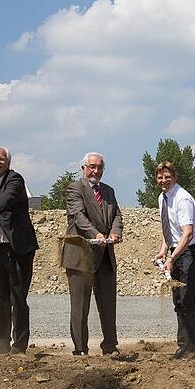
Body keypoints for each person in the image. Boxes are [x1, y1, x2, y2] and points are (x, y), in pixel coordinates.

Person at [0, 146, 39, 354]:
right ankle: (0, 342)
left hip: (19, 247)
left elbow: (4, 200)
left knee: (18, 297)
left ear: (8, 163)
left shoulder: (15, 180)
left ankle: (19, 346)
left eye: (1, 159)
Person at [64, 152, 123, 356]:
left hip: (105, 255)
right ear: (83, 168)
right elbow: (78, 216)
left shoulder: (109, 191)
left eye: (99, 167)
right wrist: (96, 234)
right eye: (91, 167)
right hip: (81, 255)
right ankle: (80, 349)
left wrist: (115, 232)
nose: (96, 171)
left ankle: (110, 346)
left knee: (108, 304)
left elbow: (116, 215)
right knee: (80, 305)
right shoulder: (75, 189)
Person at [154, 162, 195, 360]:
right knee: (178, 298)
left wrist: (172, 258)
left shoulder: (182, 199)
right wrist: (163, 251)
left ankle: (191, 349)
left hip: (190, 250)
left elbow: (188, 233)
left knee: (186, 299)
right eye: (160, 177)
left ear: (175, 177)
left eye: (167, 177)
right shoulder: (163, 198)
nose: (164, 181)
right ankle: (182, 345)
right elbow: (168, 229)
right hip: (177, 248)